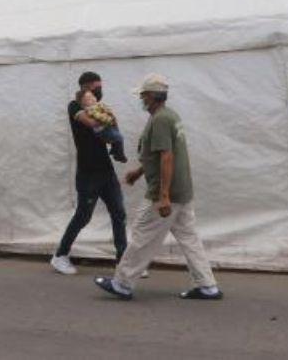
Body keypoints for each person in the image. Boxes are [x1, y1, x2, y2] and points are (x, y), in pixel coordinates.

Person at [94, 73, 222, 302]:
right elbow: (157, 153)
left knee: (143, 235)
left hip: (167, 193)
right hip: (182, 191)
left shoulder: (161, 119)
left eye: (143, 95)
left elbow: (166, 157)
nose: (141, 99)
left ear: (152, 96)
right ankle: (207, 286)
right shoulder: (170, 116)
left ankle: (122, 283)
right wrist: (139, 171)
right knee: (190, 239)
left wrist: (163, 196)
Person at [51, 72, 128, 275]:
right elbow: (91, 122)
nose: (99, 91)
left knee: (119, 213)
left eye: (100, 87)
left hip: (106, 170)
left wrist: (114, 135)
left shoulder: (98, 107)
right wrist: (105, 122)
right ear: (85, 86)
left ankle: (123, 261)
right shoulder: (74, 106)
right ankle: (60, 255)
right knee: (83, 216)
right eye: (96, 87)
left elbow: (110, 133)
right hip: (88, 173)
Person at [78, 88, 127, 163]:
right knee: (119, 138)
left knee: (117, 136)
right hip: (103, 130)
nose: (93, 99)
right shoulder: (90, 109)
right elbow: (99, 117)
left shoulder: (97, 106)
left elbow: (106, 110)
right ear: (83, 105)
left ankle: (115, 150)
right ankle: (119, 155)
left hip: (107, 126)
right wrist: (109, 119)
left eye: (92, 96)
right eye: (88, 99)